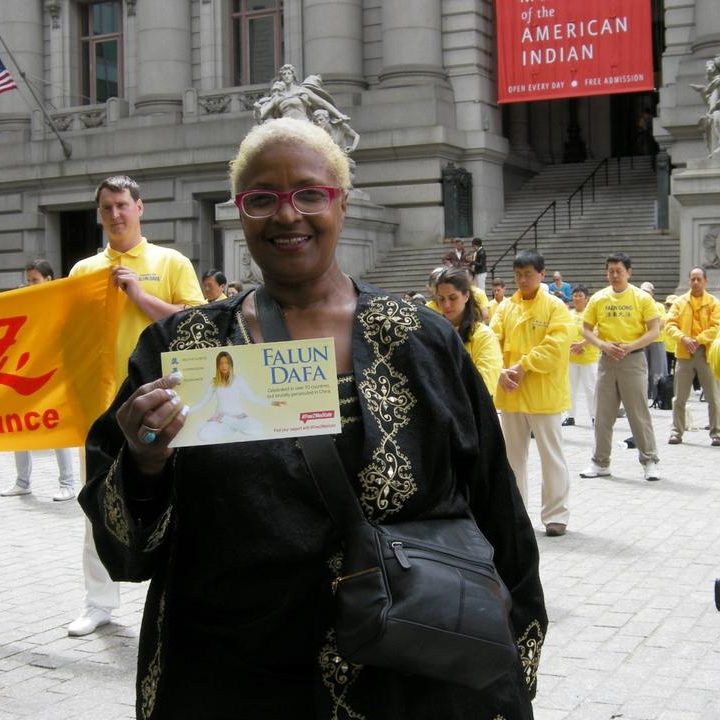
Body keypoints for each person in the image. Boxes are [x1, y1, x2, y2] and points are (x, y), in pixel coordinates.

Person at [78, 118, 546, 720]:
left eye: (308, 194)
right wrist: (144, 460)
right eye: (261, 198)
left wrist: (510, 662)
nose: (286, 214)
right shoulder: (184, 347)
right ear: (241, 212)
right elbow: (126, 547)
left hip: (408, 674)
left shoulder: (421, 342)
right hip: (231, 673)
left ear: (341, 204)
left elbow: (496, 510)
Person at [66, 175, 205, 638]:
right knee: (97, 504)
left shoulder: (170, 262)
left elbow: (196, 323)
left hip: (164, 402)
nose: (115, 214)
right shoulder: (83, 270)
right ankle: (98, 602)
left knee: (177, 498)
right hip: (100, 407)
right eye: (107, 207)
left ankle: (177, 597)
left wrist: (141, 297)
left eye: (122, 205)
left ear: (139, 208)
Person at [490, 249, 572, 537]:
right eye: (518, 275)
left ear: (542, 274)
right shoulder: (505, 308)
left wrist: (524, 365)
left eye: (528, 274)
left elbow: (556, 346)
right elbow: (491, 341)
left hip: (543, 394)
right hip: (511, 392)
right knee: (513, 458)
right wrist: (500, 371)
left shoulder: (555, 307)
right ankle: (517, 514)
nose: (522, 280)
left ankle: (556, 515)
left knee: (551, 456)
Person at [579, 253, 661, 481]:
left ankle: (649, 461)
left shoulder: (641, 298)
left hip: (633, 360)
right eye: (611, 271)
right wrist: (602, 345)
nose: (615, 275)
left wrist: (630, 346)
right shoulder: (598, 298)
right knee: (602, 415)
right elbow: (585, 328)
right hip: (607, 361)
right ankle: (600, 462)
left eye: (619, 271)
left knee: (638, 414)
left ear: (629, 272)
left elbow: (654, 330)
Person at [0, 260, 76, 502]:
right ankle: (22, 482)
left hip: (52, 373)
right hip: (24, 372)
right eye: (28, 280)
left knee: (57, 427)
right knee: (17, 425)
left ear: (49, 279)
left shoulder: (60, 303)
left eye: (35, 280)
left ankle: (67, 484)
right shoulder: (24, 302)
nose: (31, 284)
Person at [664, 267, 720, 446]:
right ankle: (676, 432)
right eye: (692, 279)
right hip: (684, 353)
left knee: (713, 397)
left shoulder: (714, 303)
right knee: (679, 397)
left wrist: (698, 339)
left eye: (699, 279)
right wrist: (683, 338)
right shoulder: (679, 302)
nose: (695, 282)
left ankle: (717, 433)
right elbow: (669, 324)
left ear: (705, 281)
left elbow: (716, 326)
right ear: (689, 281)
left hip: (705, 353)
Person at [434, 266, 502, 396]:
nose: (446, 305)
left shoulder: (484, 336)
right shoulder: (433, 333)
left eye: (453, 298)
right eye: (441, 299)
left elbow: (483, 387)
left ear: (466, 296)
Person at [191, 350, 285, 443]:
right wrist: (187, 410)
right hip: (221, 419)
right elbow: (203, 402)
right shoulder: (214, 383)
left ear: (230, 364)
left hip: (239, 417)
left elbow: (252, 397)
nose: (224, 366)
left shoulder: (238, 379)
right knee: (203, 434)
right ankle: (232, 427)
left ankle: (233, 426)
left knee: (259, 429)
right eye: (221, 363)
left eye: (226, 363)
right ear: (217, 366)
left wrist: (271, 402)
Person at [562, 284, 599, 427]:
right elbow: (564, 332)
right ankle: (570, 416)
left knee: (590, 388)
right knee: (571, 388)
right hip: (571, 357)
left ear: (586, 298)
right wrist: (572, 346)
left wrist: (582, 344)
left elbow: (596, 332)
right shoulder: (568, 314)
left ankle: (595, 416)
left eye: (580, 296)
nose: (577, 298)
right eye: (575, 295)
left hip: (588, 357)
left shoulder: (591, 314)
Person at [639, 281, 668, 400]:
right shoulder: (638, 306)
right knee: (643, 370)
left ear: (652, 293)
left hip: (657, 341)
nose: (645, 294)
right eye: (643, 292)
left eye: (647, 292)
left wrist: (649, 333)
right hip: (642, 341)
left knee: (658, 370)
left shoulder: (659, 306)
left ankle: (658, 395)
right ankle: (645, 395)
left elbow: (661, 323)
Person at [664, 293, 679, 374]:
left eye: (672, 305)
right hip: (666, 348)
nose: (670, 307)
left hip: (678, 348)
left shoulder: (682, 317)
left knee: (678, 372)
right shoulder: (663, 316)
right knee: (667, 372)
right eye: (669, 305)